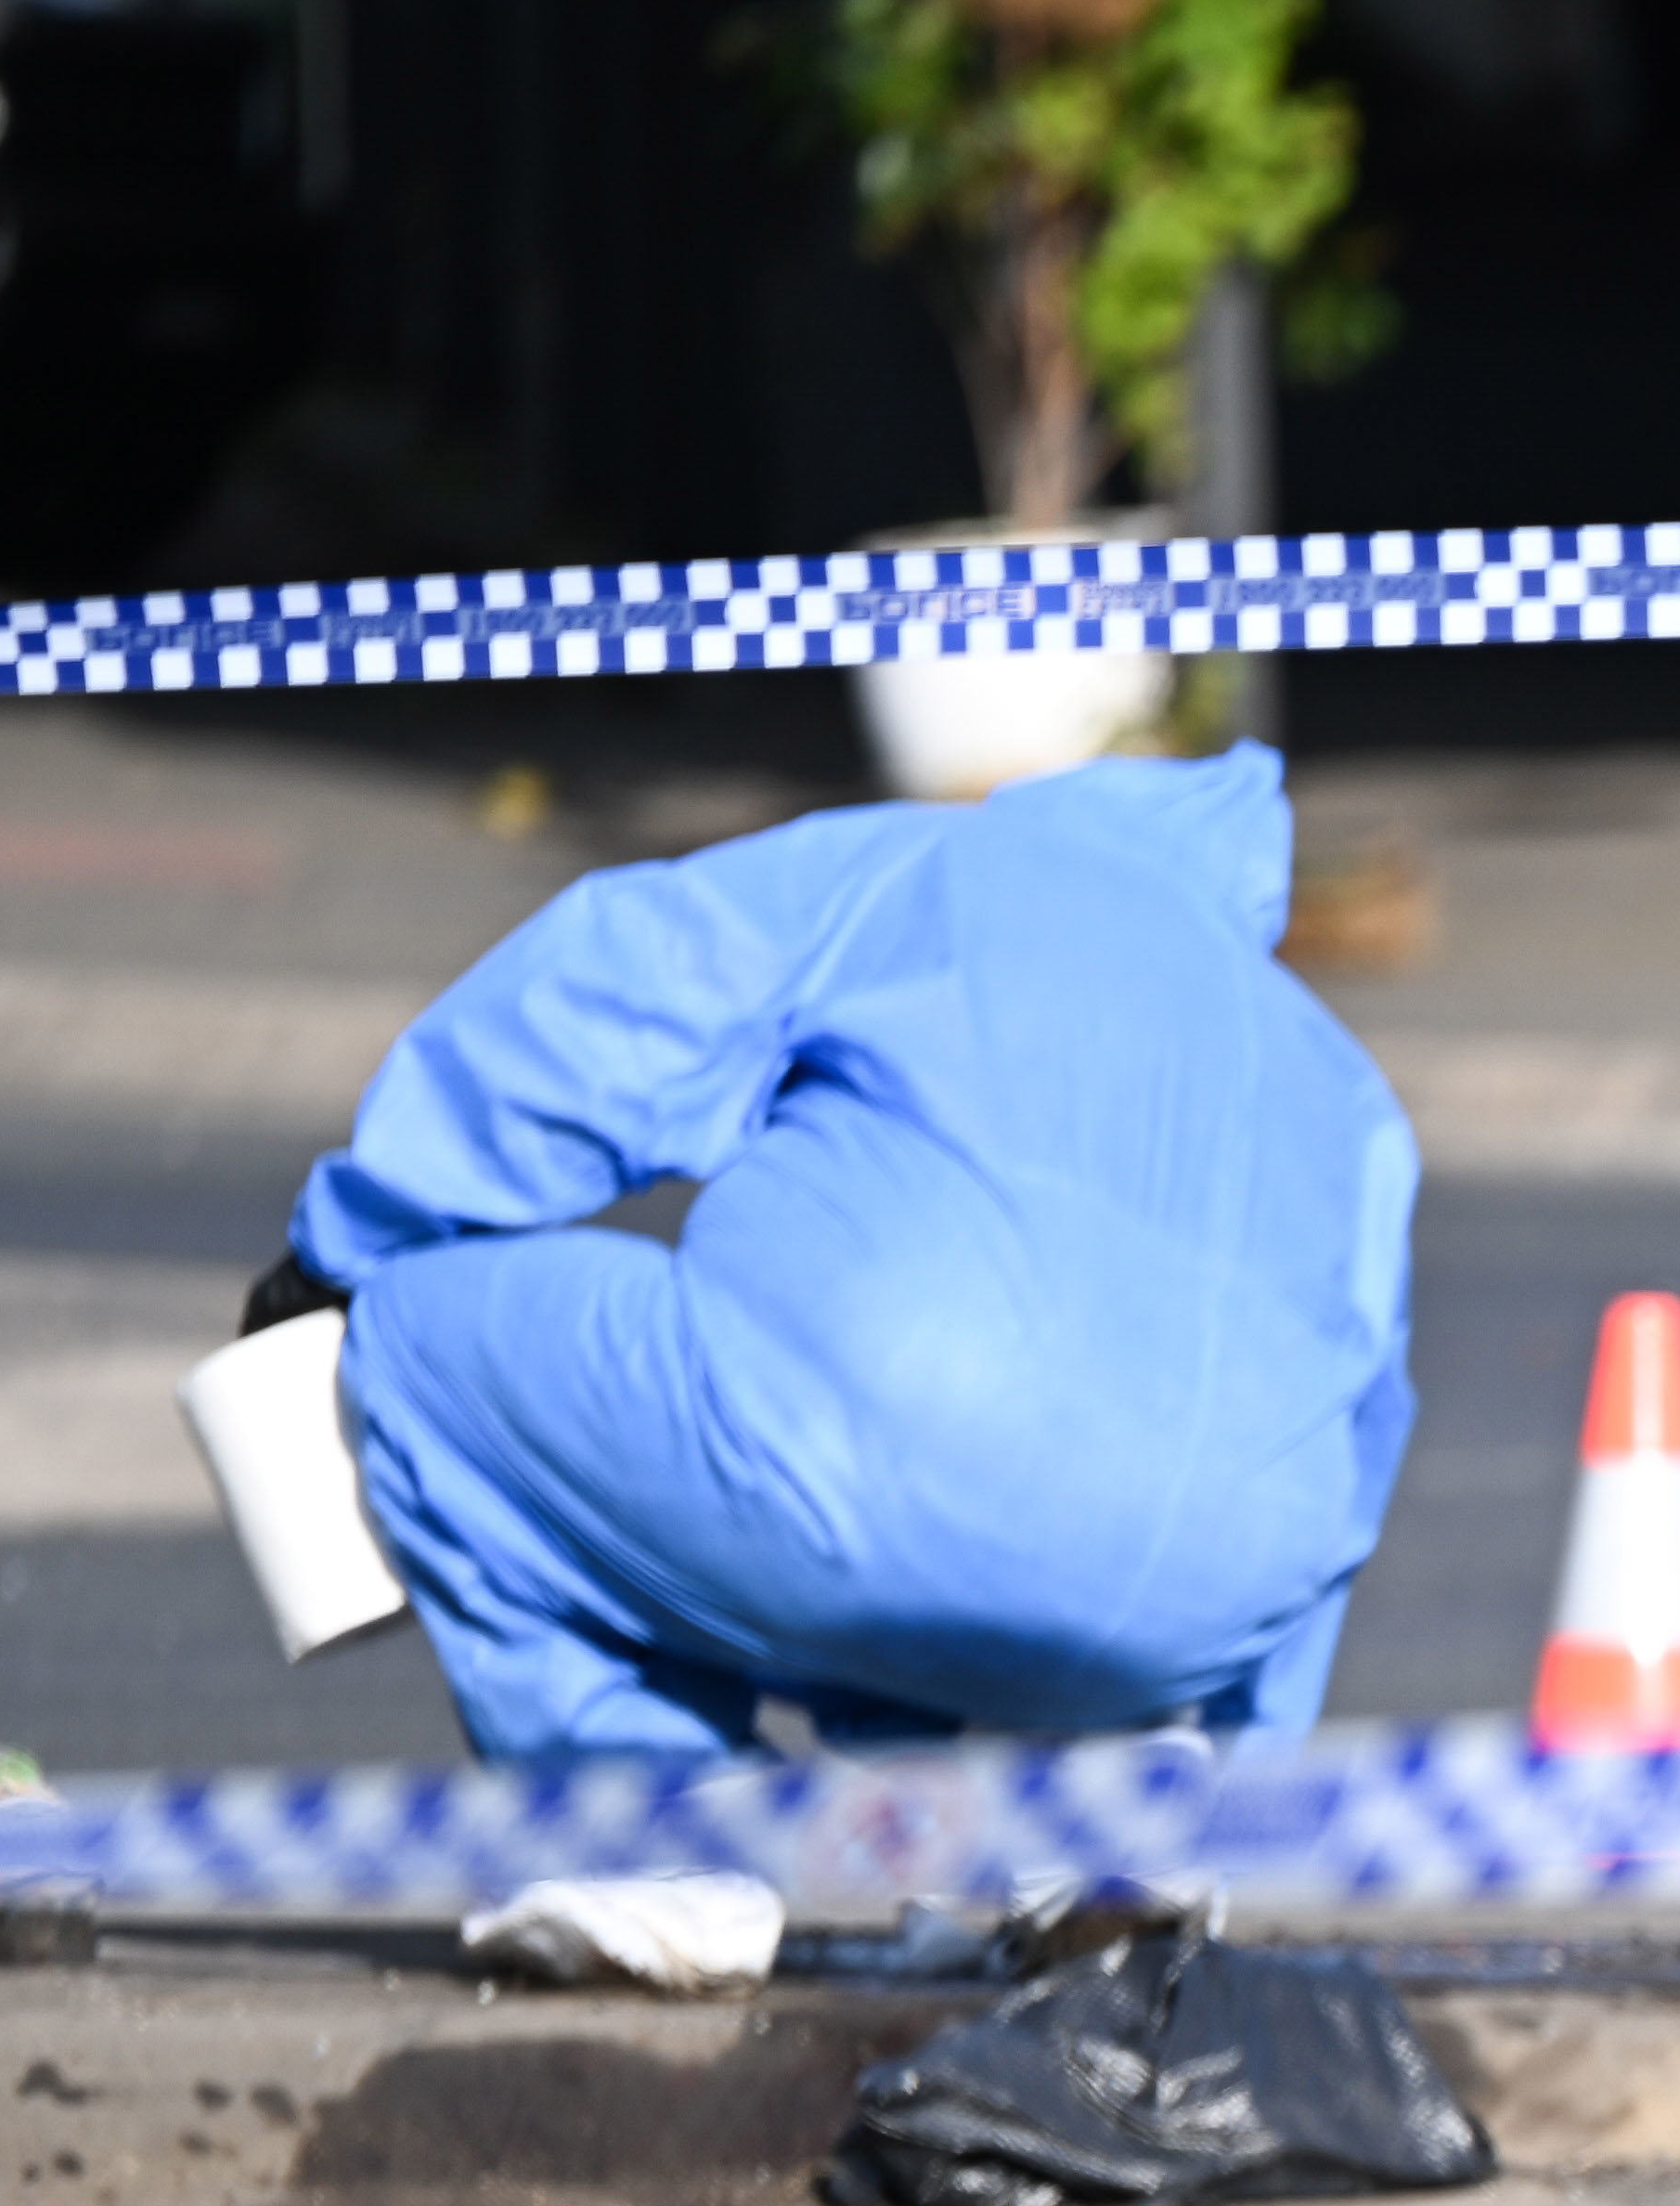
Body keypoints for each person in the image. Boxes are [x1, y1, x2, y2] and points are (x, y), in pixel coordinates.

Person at [246, 745, 1419, 1769]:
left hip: (858, 1485)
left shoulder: (936, 868)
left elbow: (608, 1012)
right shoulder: (1339, 1083)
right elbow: (1357, 1438)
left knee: (415, 1347)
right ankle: (1124, 1807)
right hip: (1198, 1620)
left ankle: (656, 1833)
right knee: (1045, 1530)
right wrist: (1243, 1749)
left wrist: (343, 1248)